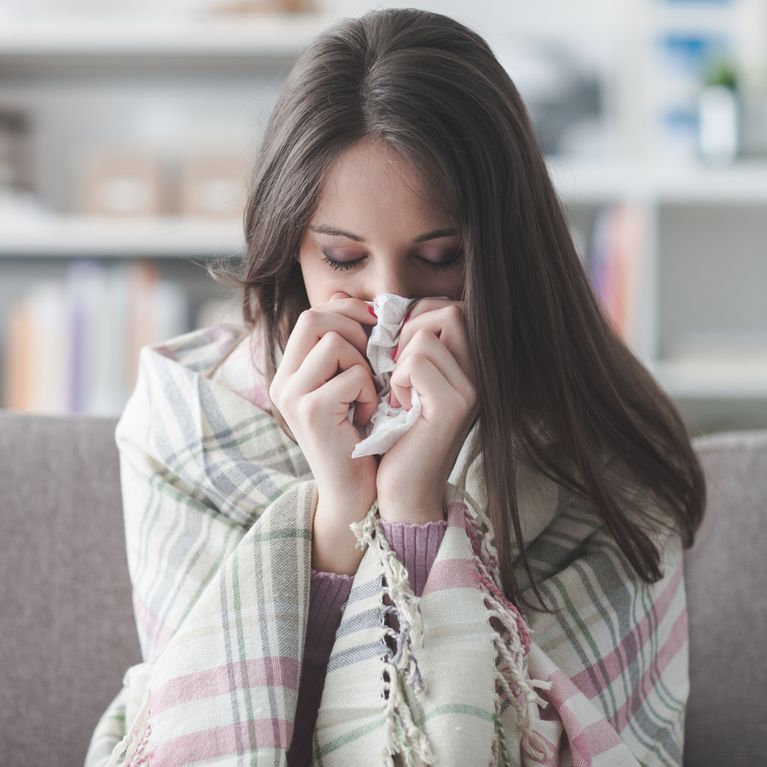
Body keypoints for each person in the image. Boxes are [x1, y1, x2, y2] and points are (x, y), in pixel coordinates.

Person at [85, 8, 706, 767]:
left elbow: (568, 743)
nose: (390, 307)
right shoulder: (188, 419)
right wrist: (339, 512)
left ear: (505, 251)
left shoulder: (595, 440)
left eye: (440, 258)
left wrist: (415, 508)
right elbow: (219, 727)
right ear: (289, 249)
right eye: (344, 259)